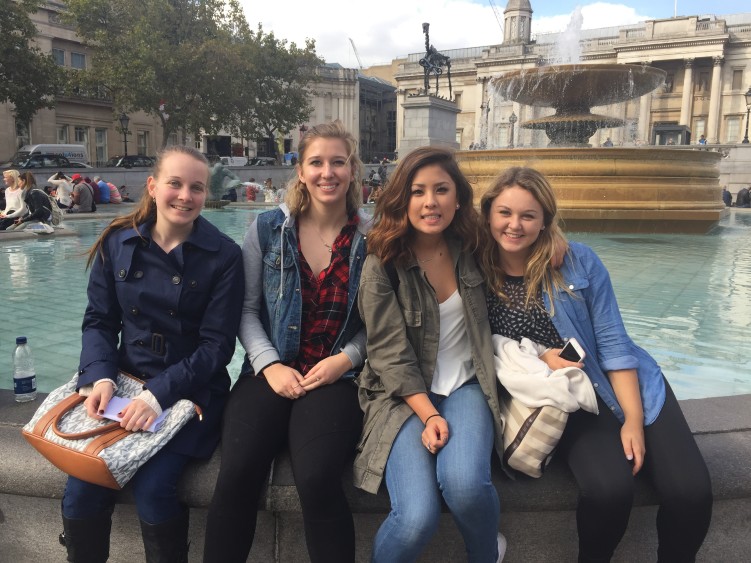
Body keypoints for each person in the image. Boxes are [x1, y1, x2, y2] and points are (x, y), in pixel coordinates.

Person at [478, 166, 712, 563]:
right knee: (609, 491)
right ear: (487, 215)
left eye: (528, 215)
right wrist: (539, 355)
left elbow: (614, 343)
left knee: (691, 492)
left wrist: (633, 420)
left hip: (628, 386)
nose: (515, 225)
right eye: (505, 213)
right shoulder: (474, 268)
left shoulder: (577, 261)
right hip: (567, 399)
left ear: (545, 220)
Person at [59, 146, 244, 562]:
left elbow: (217, 347)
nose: (185, 196)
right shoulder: (117, 242)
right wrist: (100, 377)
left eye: (197, 187)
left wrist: (157, 395)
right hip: (123, 387)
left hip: (190, 393)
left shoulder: (224, 256)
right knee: (81, 486)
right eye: (175, 184)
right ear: (153, 186)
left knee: (155, 488)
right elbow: (99, 321)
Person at [204, 121, 370, 563]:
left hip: (336, 378)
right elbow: (246, 310)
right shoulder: (266, 229)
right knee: (237, 471)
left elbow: (381, 323)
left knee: (317, 478)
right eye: (316, 162)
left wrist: (346, 359)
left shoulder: (373, 239)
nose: (327, 172)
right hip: (269, 371)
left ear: (352, 169)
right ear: (300, 171)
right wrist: (269, 364)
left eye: (338, 162)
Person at [355, 146, 506, 563]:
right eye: (418, 191)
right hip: (400, 396)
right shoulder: (382, 263)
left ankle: (486, 555)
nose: (430, 202)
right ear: (401, 199)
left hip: (467, 385)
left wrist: (559, 246)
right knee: (414, 519)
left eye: (441, 190)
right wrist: (429, 415)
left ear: (457, 198)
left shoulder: (475, 246)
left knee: (465, 486)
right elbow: (388, 354)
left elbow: (525, 245)